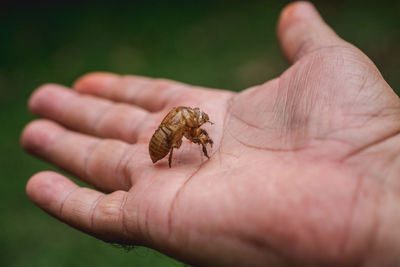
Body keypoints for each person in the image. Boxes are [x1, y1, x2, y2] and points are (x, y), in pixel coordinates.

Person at [21, 2, 400, 266]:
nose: (202, 125)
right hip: (162, 144)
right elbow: (185, 136)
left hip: (164, 139)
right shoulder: (183, 129)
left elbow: (191, 132)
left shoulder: (187, 124)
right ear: (190, 121)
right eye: (198, 121)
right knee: (181, 143)